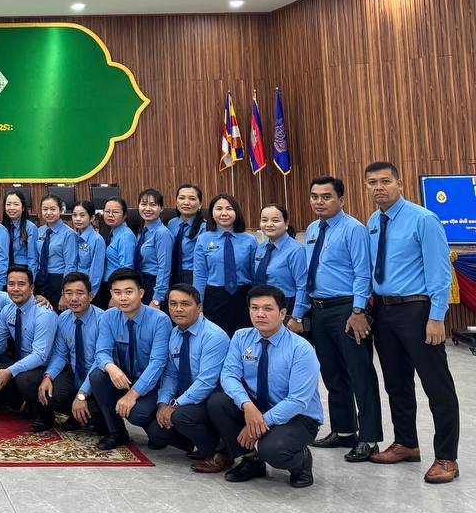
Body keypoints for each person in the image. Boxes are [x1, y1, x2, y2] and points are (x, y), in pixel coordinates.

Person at [363, 161, 460, 484]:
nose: (379, 187)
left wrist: (437, 317)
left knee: (436, 385)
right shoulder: (374, 221)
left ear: (400, 183)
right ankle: (406, 443)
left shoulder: (423, 219)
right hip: (384, 311)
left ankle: (446, 457)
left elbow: (440, 272)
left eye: (385, 181)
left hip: (417, 310)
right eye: (372, 182)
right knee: (396, 383)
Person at [205, 285, 322, 488]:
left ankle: (301, 461)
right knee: (218, 403)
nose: (260, 314)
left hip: (298, 416)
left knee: (272, 450)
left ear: (282, 313)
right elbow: (229, 375)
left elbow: (298, 401)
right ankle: (251, 460)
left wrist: (258, 424)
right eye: (254, 308)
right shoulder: (241, 337)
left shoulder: (301, 349)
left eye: (268, 308)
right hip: (257, 406)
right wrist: (247, 406)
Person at [304, 175, 383, 462]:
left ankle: (369, 438)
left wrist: (358, 311)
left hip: (347, 309)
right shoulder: (313, 229)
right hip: (319, 309)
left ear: (341, 200)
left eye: (326, 197)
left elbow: (363, 272)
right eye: (315, 196)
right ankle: (344, 430)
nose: (319, 202)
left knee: (360, 374)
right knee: (332, 374)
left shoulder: (354, 229)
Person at [88, 268, 173, 451]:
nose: (123, 298)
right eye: (117, 293)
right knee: (98, 375)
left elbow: (158, 363)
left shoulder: (160, 320)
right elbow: (101, 352)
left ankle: (155, 427)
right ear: (111, 294)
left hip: (153, 382)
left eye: (128, 292)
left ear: (141, 293)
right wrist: (111, 367)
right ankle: (116, 432)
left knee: (138, 415)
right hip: (126, 376)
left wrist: (132, 395)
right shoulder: (108, 317)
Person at [0, 265, 55, 427]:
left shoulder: (43, 314)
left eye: (21, 284)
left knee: (23, 379)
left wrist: (10, 371)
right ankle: (21, 402)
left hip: (45, 367)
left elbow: (40, 356)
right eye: (11, 284)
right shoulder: (8, 310)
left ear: (31, 288)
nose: (15, 289)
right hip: (22, 363)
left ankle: (44, 415)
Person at [153, 284, 230, 463]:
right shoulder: (174, 333)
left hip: (213, 401)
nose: (178, 309)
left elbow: (206, 382)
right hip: (188, 399)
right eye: (173, 304)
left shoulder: (214, 336)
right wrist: (163, 404)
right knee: (157, 433)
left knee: (179, 416)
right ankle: (199, 443)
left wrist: (175, 405)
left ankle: (219, 452)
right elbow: (171, 374)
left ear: (199, 307)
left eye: (185, 304)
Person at [38, 272, 104, 432]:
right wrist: (48, 376)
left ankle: (94, 417)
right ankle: (76, 414)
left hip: (99, 376)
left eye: (80, 293)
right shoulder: (63, 318)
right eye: (69, 293)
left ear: (90, 296)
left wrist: (82, 394)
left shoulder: (103, 319)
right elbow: (60, 354)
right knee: (50, 394)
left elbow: (100, 360)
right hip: (76, 374)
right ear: (63, 295)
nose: (74, 298)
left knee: (96, 413)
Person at [191, 194, 257, 335]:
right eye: (219, 208)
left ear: (236, 212)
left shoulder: (250, 240)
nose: (224, 213)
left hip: (243, 297)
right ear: (212, 213)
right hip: (214, 297)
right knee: (216, 338)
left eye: (229, 208)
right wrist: (198, 304)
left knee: (244, 338)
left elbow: (254, 274)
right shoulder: (203, 239)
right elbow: (200, 275)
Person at [253, 202, 309, 329]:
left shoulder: (296, 250)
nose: (269, 224)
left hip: (287, 306)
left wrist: (297, 316)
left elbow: (303, 285)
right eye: (264, 220)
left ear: (286, 223)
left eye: (275, 220)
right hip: (263, 306)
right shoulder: (261, 248)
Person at [134, 188, 174, 308]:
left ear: (161, 208)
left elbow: (164, 268)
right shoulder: (143, 230)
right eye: (144, 204)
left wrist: (157, 298)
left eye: (153, 204)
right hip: (142, 282)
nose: (147, 208)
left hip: (154, 285)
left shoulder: (162, 233)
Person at [33, 194, 73, 307]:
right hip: (41, 278)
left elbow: (70, 265)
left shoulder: (69, 234)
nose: (48, 213)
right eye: (45, 209)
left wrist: (65, 292)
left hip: (58, 280)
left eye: (53, 209)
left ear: (60, 210)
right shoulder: (40, 231)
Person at [166, 183, 205, 290]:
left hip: (192, 276)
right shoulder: (171, 224)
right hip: (172, 275)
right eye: (182, 198)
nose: (186, 202)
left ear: (200, 204)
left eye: (192, 199)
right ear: (176, 202)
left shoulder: (204, 228)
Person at [100, 197, 136, 286]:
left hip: (117, 284)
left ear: (124, 215)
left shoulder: (125, 236)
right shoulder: (112, 231)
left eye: (115, 212)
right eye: (107, 211)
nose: (110, 215)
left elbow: (126, 268)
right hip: (108, 282)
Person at [3, 190, 35, 283]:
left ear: (23, 207)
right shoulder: (2, 227)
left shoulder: (30, 228)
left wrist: (31, 281)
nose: (11, 208)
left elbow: (32, 259)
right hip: (5, 270)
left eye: (16, 204)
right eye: (8, 204)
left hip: (23, 271)